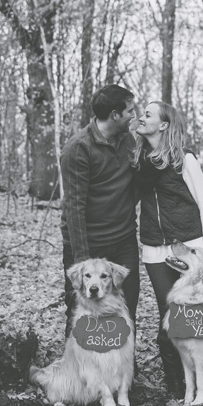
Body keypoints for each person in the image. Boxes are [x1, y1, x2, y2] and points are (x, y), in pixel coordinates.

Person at [131, 101, 203, 398]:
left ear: (164, 125)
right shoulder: (139, 160)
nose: (141, 118)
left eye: (148, 115)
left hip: (189, 247)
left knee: (196, 315)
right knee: (168, 315)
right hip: (155, 249)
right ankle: (176, 387)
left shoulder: (185, 159)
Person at [60, 84, 140, 337]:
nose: (133, 116)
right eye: (129, 111)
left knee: (126, 306)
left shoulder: (128, 140)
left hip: (123, 239)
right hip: (87, 242)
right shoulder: (78, 148)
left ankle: (125, 369)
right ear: (115, 115)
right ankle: (78, 366)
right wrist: (82, 260)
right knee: (81, 307)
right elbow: (74, 207)